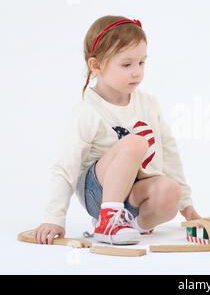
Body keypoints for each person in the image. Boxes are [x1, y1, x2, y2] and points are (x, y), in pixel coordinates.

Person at [34, 15, 201, 245]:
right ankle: (108, 220)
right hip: (98, 192)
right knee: (135, 142)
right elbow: (66, 165)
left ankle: (130, 224)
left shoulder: (149, 104)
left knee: (170, 190)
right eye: (126, 64)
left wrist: (187, 206)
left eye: (142, 63)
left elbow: (170, 152)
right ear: (96, 66)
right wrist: (54, 218)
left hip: (135, 193)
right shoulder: (88, 111)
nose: (137, 72)